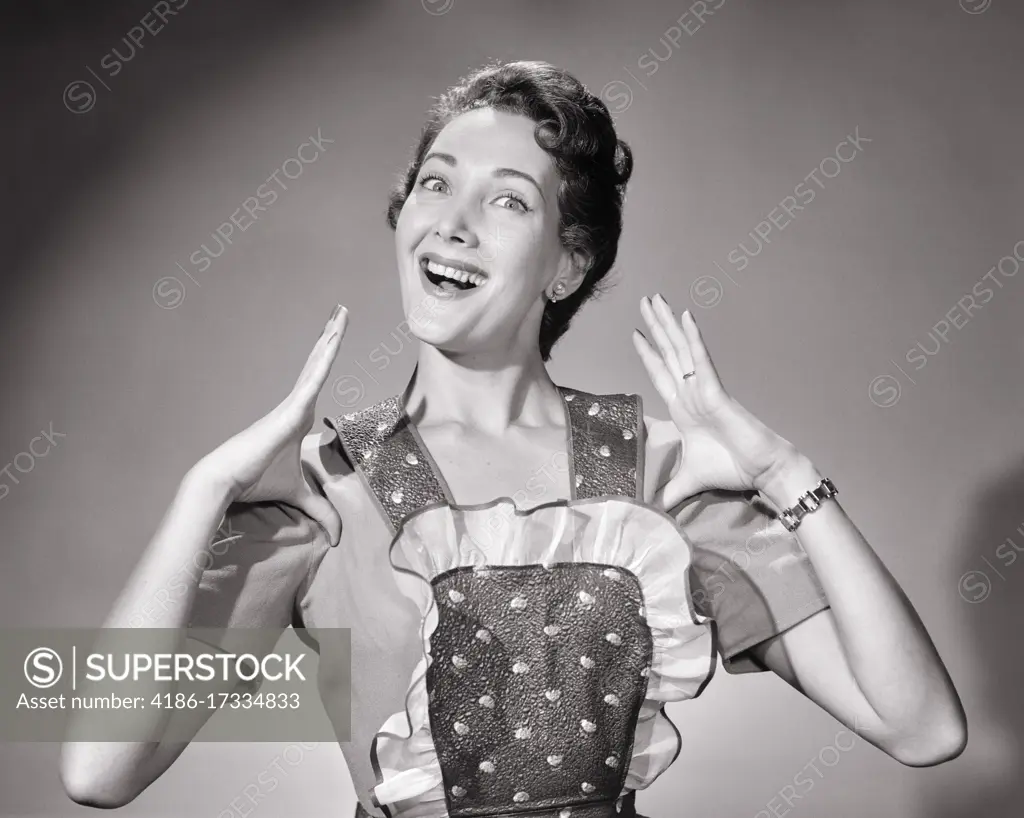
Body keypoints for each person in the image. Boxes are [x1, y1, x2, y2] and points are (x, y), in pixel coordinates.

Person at [60, 60, 967, 818]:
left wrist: (786, 472)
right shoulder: (328, 488)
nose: (451, 221)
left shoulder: (654, 473)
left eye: (506, 202)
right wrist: (203, 488)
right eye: (436, 182)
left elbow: (923, 729)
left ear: (568, 262)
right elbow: (97, 768)